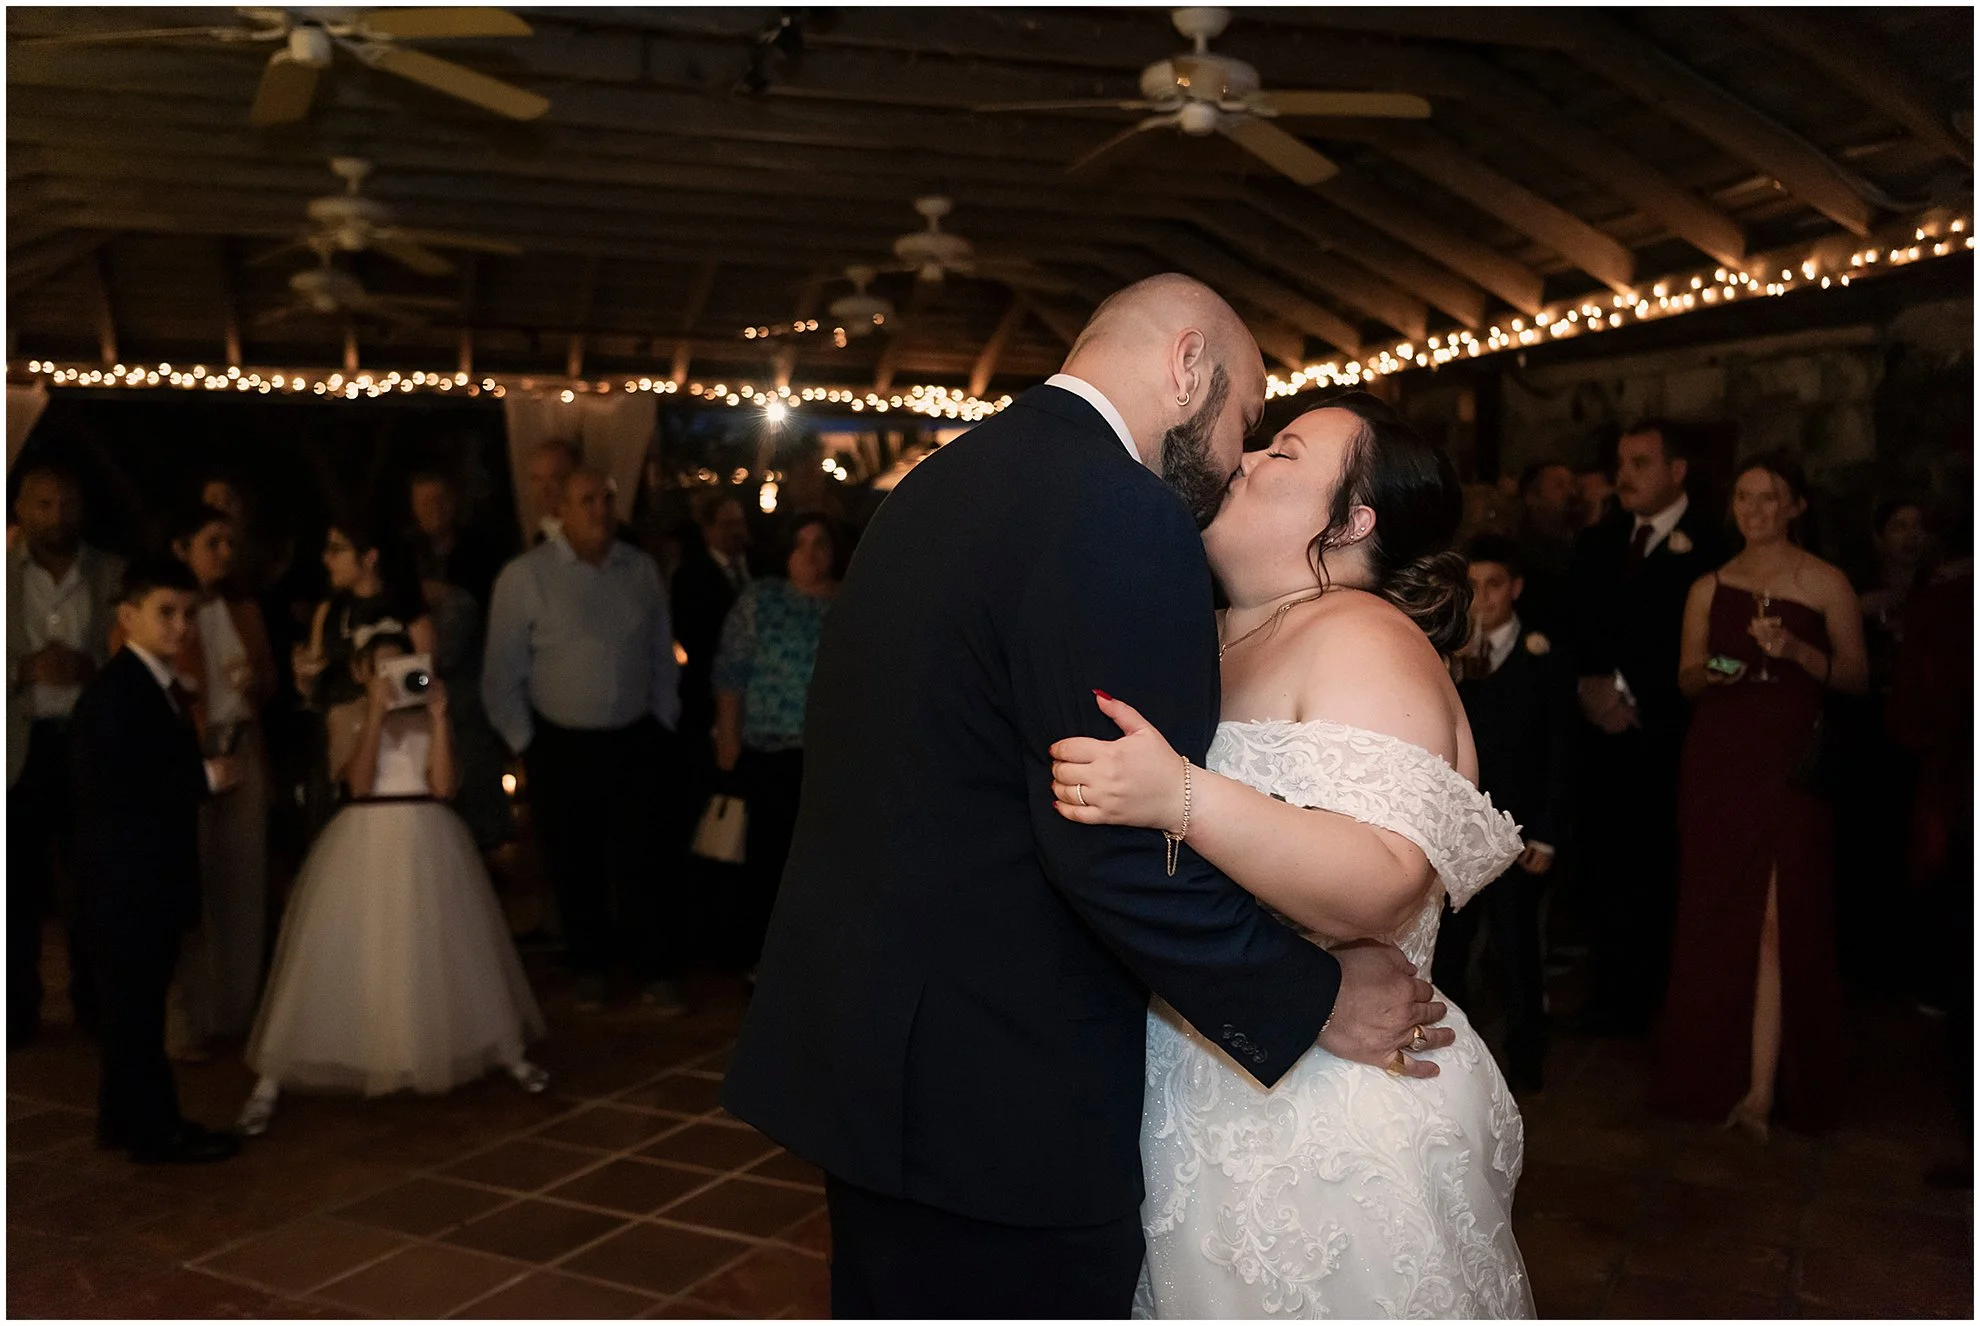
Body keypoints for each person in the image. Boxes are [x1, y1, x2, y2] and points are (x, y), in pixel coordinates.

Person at [724, 275, 1456, 1319]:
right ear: (1187, 364)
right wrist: (1313, 998)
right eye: (1246, 418)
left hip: (881, 1056)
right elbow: (1103, 842)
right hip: (999, 1092)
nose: (1235, 458)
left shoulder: (942, 481)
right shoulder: (1118, 512)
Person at [1049, 394, 1530, 1317]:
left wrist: (1179, 796)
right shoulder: (1222, 631)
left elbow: (1380, 883)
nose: (1247, 459)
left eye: (1286, 452)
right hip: (1208, 1081)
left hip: (1323, 1118)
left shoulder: (1363, 634)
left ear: (1352, 522)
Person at [237, 625, 547, 1135]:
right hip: (367, 833)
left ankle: (501, 1050)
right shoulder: (346, 715)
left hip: (429, 831)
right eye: (381, 668)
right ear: (361, 673)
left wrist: (440, 718)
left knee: (444, 947)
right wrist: (377, 715)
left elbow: (443, 785)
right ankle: (276, 1077)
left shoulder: (429, 716)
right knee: (354, 948)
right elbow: (357, 784)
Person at [1654, 454, 1867, 1140]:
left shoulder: (1826, 581)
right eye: (1744, 498)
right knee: (1717, 915)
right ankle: (1718, 1077)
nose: (1755, 510)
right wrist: (1728, 665)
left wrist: (1798, 654)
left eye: (1769, 498)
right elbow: (1688, 676)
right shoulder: (1709, 586)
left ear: (1795, 505)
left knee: (1783, 916)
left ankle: (1765, 1089)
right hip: (1721, 762)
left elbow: (1858, 679)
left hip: (1791, 764)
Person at [483, 468, 685, 1015]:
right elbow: (502, 672)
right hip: (562, 744)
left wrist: (663, 718)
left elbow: (662, 652)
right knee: (574, 862)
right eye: (587, 500)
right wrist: (530, 743)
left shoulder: (638, 570)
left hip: (635, 739)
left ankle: (653, 967)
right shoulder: (527, 577)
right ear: (563, 509)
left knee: (643, 856)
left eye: (607, 499)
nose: (599, 510)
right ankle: (590, 965)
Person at [69, 557, 242, 1163]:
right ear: (127, 615)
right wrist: (202, 776)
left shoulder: (151, 685)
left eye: (188, 615)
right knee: (135, 1009)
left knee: (135, 1006)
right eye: (165, 613)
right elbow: (116, 783)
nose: (180, 627)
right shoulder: (119, 691)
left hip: (140, 874)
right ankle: (153, 1128)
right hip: (128, 879)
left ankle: (124, 1119)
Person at [1564, 422, 1727, 1034]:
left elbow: (1709, 644)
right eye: (1620, 462)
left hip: (1666, 734)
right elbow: (1575, 620)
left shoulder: (1713, 545)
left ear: (1678, 470)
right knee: (1602, 863)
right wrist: (1590, 683)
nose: (1624, 475)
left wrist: (1629, 692)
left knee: (1660, 867)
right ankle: (1610, 995)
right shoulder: (1600, 539)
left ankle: (1662, 1001)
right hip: (1598, 733)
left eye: (1640, 462)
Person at [1434, 534, 1573, 1096]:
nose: (1483, 598)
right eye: (1472, 586)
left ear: (1514, 588)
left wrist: (1548, 832)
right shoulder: (1447, 653)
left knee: (1518, 950)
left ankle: (1527, 1064)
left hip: (1517, 833)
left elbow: (1562, 753)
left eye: (1494, 585)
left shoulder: (1543, 659)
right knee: (1449, 950)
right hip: (1458, 833)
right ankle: (1455, 1062)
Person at [8, 462, 124, 1047]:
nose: (57, 517)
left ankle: (94, 1000)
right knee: (15, 887)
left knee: (93, 879)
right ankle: (16, 1009)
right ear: (21, 509)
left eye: (66, 504)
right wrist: (22, 668)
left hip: (86, 744)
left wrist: (93, 670)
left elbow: (136, 657)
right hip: (18, 747)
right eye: (44, 505)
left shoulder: (109, 573)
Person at [159, 504, 277, 1058]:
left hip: (242, 743)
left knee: (242, 877)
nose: (226, 554)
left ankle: (236, 1009)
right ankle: (187, 1016)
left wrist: (254, 683)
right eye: (214, 542)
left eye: (231, 542)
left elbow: (268, 680)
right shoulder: (163, 610)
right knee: (192, 878)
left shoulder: (244, 608)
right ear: (183, 548)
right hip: (192, 747)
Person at [711, 513, 837, 970]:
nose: (810, 554)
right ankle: (762, 960)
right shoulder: (761, 599)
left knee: (823, 861)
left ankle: (817, 958)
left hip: (830, 758)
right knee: (768, 859)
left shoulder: (849, 602)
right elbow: (731, 671)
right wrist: (728, 738)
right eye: (799, 544)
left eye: (819, 542)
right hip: (768, 750)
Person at [408, 467, 505, 612]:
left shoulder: (481, 548)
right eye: (427, 502)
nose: (436, 508)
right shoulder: (405, 554)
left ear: (454, 500)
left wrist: (449, 594)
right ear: (414, 508)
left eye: (441, 499)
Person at [1514, 461, 1578, 633]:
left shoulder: (1587, 545)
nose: (1571, 493)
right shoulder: (1518, 553)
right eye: (1559, 486)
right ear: (1532, 497)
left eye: (1572, 485)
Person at [523, 442, 578, 547]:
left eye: (554, 478)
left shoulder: (603, 534)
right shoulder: (540, 540)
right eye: (537, 479)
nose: (544, 489)